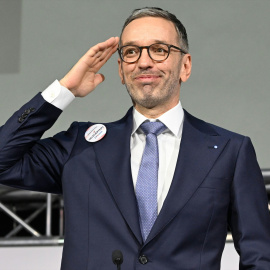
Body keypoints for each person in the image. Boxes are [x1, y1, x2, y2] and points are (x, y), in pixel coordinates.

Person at [0, 6, 270, 270]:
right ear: (120, 70)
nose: (143, 61)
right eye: (131, 52)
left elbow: (260, 255)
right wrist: (65, 89)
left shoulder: (229, 151)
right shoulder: (80, 146)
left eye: (159, 50)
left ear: (185, 66)